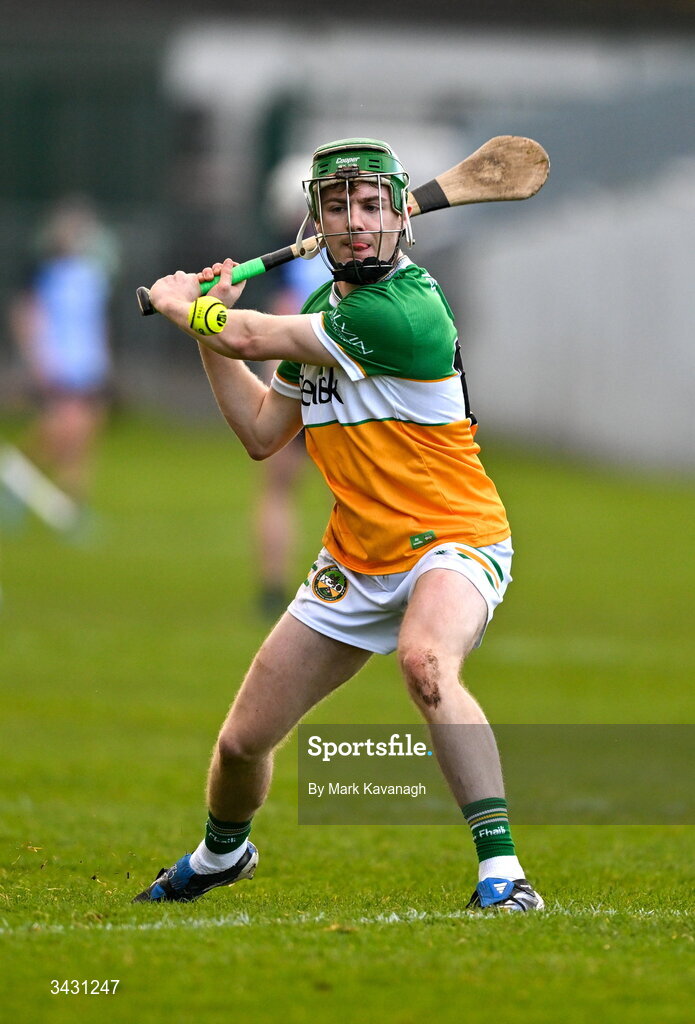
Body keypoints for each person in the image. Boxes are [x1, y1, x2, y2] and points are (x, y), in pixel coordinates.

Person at [133, 138, 544, 913]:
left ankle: (502, 874)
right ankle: (222, 854)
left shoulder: (406, 312)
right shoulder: (325, 313)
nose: (353, 222)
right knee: (240, 743)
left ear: (399, 219)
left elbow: (247, 335)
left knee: (425, 663)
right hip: (354, 560)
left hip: (454, 537)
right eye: (335, 207)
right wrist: (203, 327)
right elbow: (261, 432)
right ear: (314, 220)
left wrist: (182, 303)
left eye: (369, 206)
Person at [8, 196, 117, 532]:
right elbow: (27, 316)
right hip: (60, 364)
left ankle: (71, 507)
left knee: (84, 435)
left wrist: (105, 359)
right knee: (59, 432)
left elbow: (97, 322)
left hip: (88, 365)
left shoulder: (93, 275)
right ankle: (13, 476)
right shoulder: (44, 273)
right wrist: (38, 359)